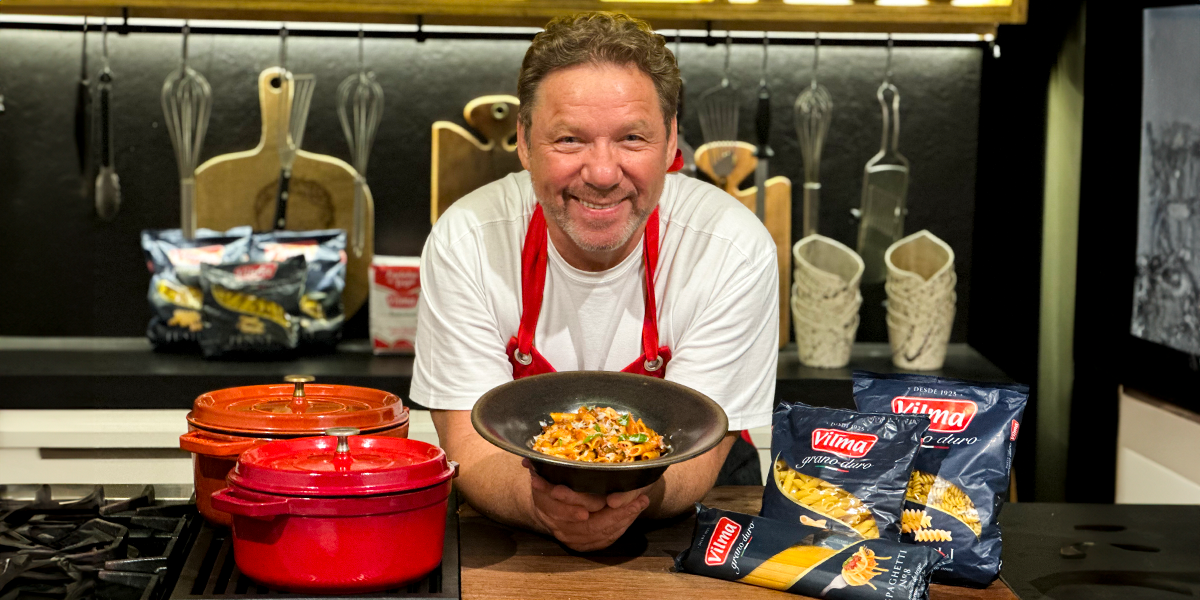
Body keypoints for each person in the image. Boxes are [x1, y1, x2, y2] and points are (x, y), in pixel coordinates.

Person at [410, 11, 778, 552]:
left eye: (632, 137)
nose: (603, 174)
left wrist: (620, 504)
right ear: (523, 140)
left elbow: (698, 449)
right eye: (569, 139)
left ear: (672, 139)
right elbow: (471, 442)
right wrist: (541, 507)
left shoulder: (731, 248)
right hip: (513, 522)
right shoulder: (467, 240)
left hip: (689, 523)